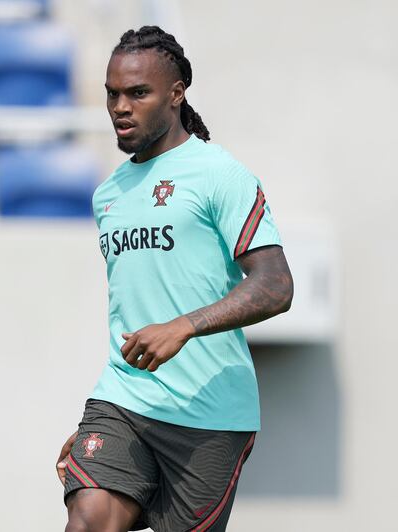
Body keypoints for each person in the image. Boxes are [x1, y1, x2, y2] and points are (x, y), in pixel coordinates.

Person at [55, 26, 294, 532]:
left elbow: (276, 285)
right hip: (125, 397)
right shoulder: (107, 195)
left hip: (211, 415)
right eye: (112, 94)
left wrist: (183, 326)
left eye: (138, 93)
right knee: (89, 518)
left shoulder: (220, 175)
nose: (121, 106)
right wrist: (99, 428)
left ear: (176, 94)